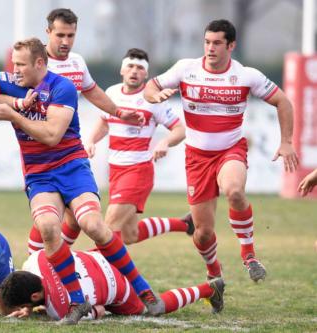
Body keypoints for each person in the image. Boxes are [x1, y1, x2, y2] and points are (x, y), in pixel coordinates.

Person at [0, 38, 163, 324]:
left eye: (21, 65)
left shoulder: (62, 87)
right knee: (47, 228)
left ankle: (144, 290)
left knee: (92, 224)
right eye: (14, 64)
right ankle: (77, 302)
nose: (15, 70)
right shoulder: (11, 81)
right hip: (39, 174)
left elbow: (51, 135)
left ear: (40, 64)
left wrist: (14, 115)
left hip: (72, 168)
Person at [144, 19, 299, 282]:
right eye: (207, 42)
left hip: (230, 149)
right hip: (196, 157)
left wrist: (286, 141)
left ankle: (249, 255)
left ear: (231, 45)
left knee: (235, 191)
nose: (210, 48)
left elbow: (283, 101)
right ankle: (214, 272)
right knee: (203, 233)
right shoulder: (186, 68)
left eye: (217, 43)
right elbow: (151, 86)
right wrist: (154, 96)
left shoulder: (246, 75)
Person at [27, 8, 146, 254]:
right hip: (41, 155)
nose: (65, 41)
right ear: (47, 32)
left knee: (75, 219)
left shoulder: (76, 62)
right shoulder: (34, 64)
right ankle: (36, 264)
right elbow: (3, 87)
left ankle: (52, 262)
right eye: (60, 35)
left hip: (70, 152)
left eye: (71, 35)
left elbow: (91, 90)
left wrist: (119, 112)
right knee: (50, 216)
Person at [85, 48, 193, 245]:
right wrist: (92, 140)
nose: (134, 71)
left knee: (108, 227)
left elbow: (180, 129)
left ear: (146, 74)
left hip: (137, 171)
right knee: (130, 234)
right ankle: (185, 224)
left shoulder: (153, 99)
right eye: (131, 66)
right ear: (122, 70)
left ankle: (109, 273)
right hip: (116, 170)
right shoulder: (112, 93)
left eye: (140, 68)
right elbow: (104, 121)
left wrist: (165, 142)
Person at [0, 249, 225, 321]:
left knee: (151, 308)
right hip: (103, 257)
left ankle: (208, 289)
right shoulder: (35, 260)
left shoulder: (61, 310)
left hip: (117, 286)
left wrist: (38, 311)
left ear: (35, 296)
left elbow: (98, 310)